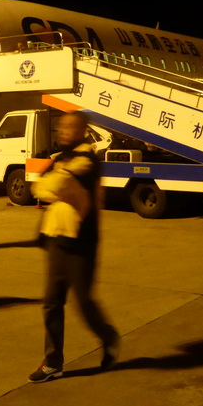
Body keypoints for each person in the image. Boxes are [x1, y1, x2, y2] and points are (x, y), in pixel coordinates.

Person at [28, 111, 120, 383]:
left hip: (81, 241)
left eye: (70, 126)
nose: (63, 131)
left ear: (82, 131)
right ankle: (53, 362)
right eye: (61, 126)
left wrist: (56, 182)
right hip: (56, 239)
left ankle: (108, 336)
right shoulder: (61, 159)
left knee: (84, 302)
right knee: (51, 302)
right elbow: (39, 188)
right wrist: (55, 183)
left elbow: (57, 184)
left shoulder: (88, 160)